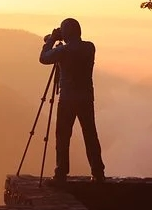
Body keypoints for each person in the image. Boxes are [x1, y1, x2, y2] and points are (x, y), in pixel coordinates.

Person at [39, 18, 106, 183]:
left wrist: (52, 40)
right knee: (90, 134)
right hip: (86, 98)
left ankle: (61, 173)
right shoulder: (90, 47)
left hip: (67, 98)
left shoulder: (63, 51)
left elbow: (43, 58)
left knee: (63, 136)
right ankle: (98, 172)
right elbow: (73, 49)